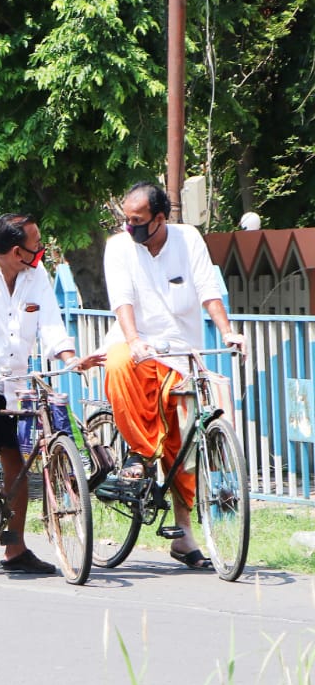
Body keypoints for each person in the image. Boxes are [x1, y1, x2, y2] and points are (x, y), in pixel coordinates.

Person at [0, 213, 103, 574]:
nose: (41, 251)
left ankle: (15, 548)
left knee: (17, 459)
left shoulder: (35, 275)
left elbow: (51, 323)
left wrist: (71, 357)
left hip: (12, 379)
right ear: (17, 252)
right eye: (36, 246)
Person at [102, 181, 247, 570]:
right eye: (126, 219)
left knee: (184, 440)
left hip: (181, 353)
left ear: (160, 218)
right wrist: (132, 340)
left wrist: (227, 331)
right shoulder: (119, 247)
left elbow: (208, 290)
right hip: (136, 345)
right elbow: (122, 300)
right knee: (118, 366)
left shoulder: (188, 239)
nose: (129, 226)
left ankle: (184, 535)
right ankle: (138, 457)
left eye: (137, 220)